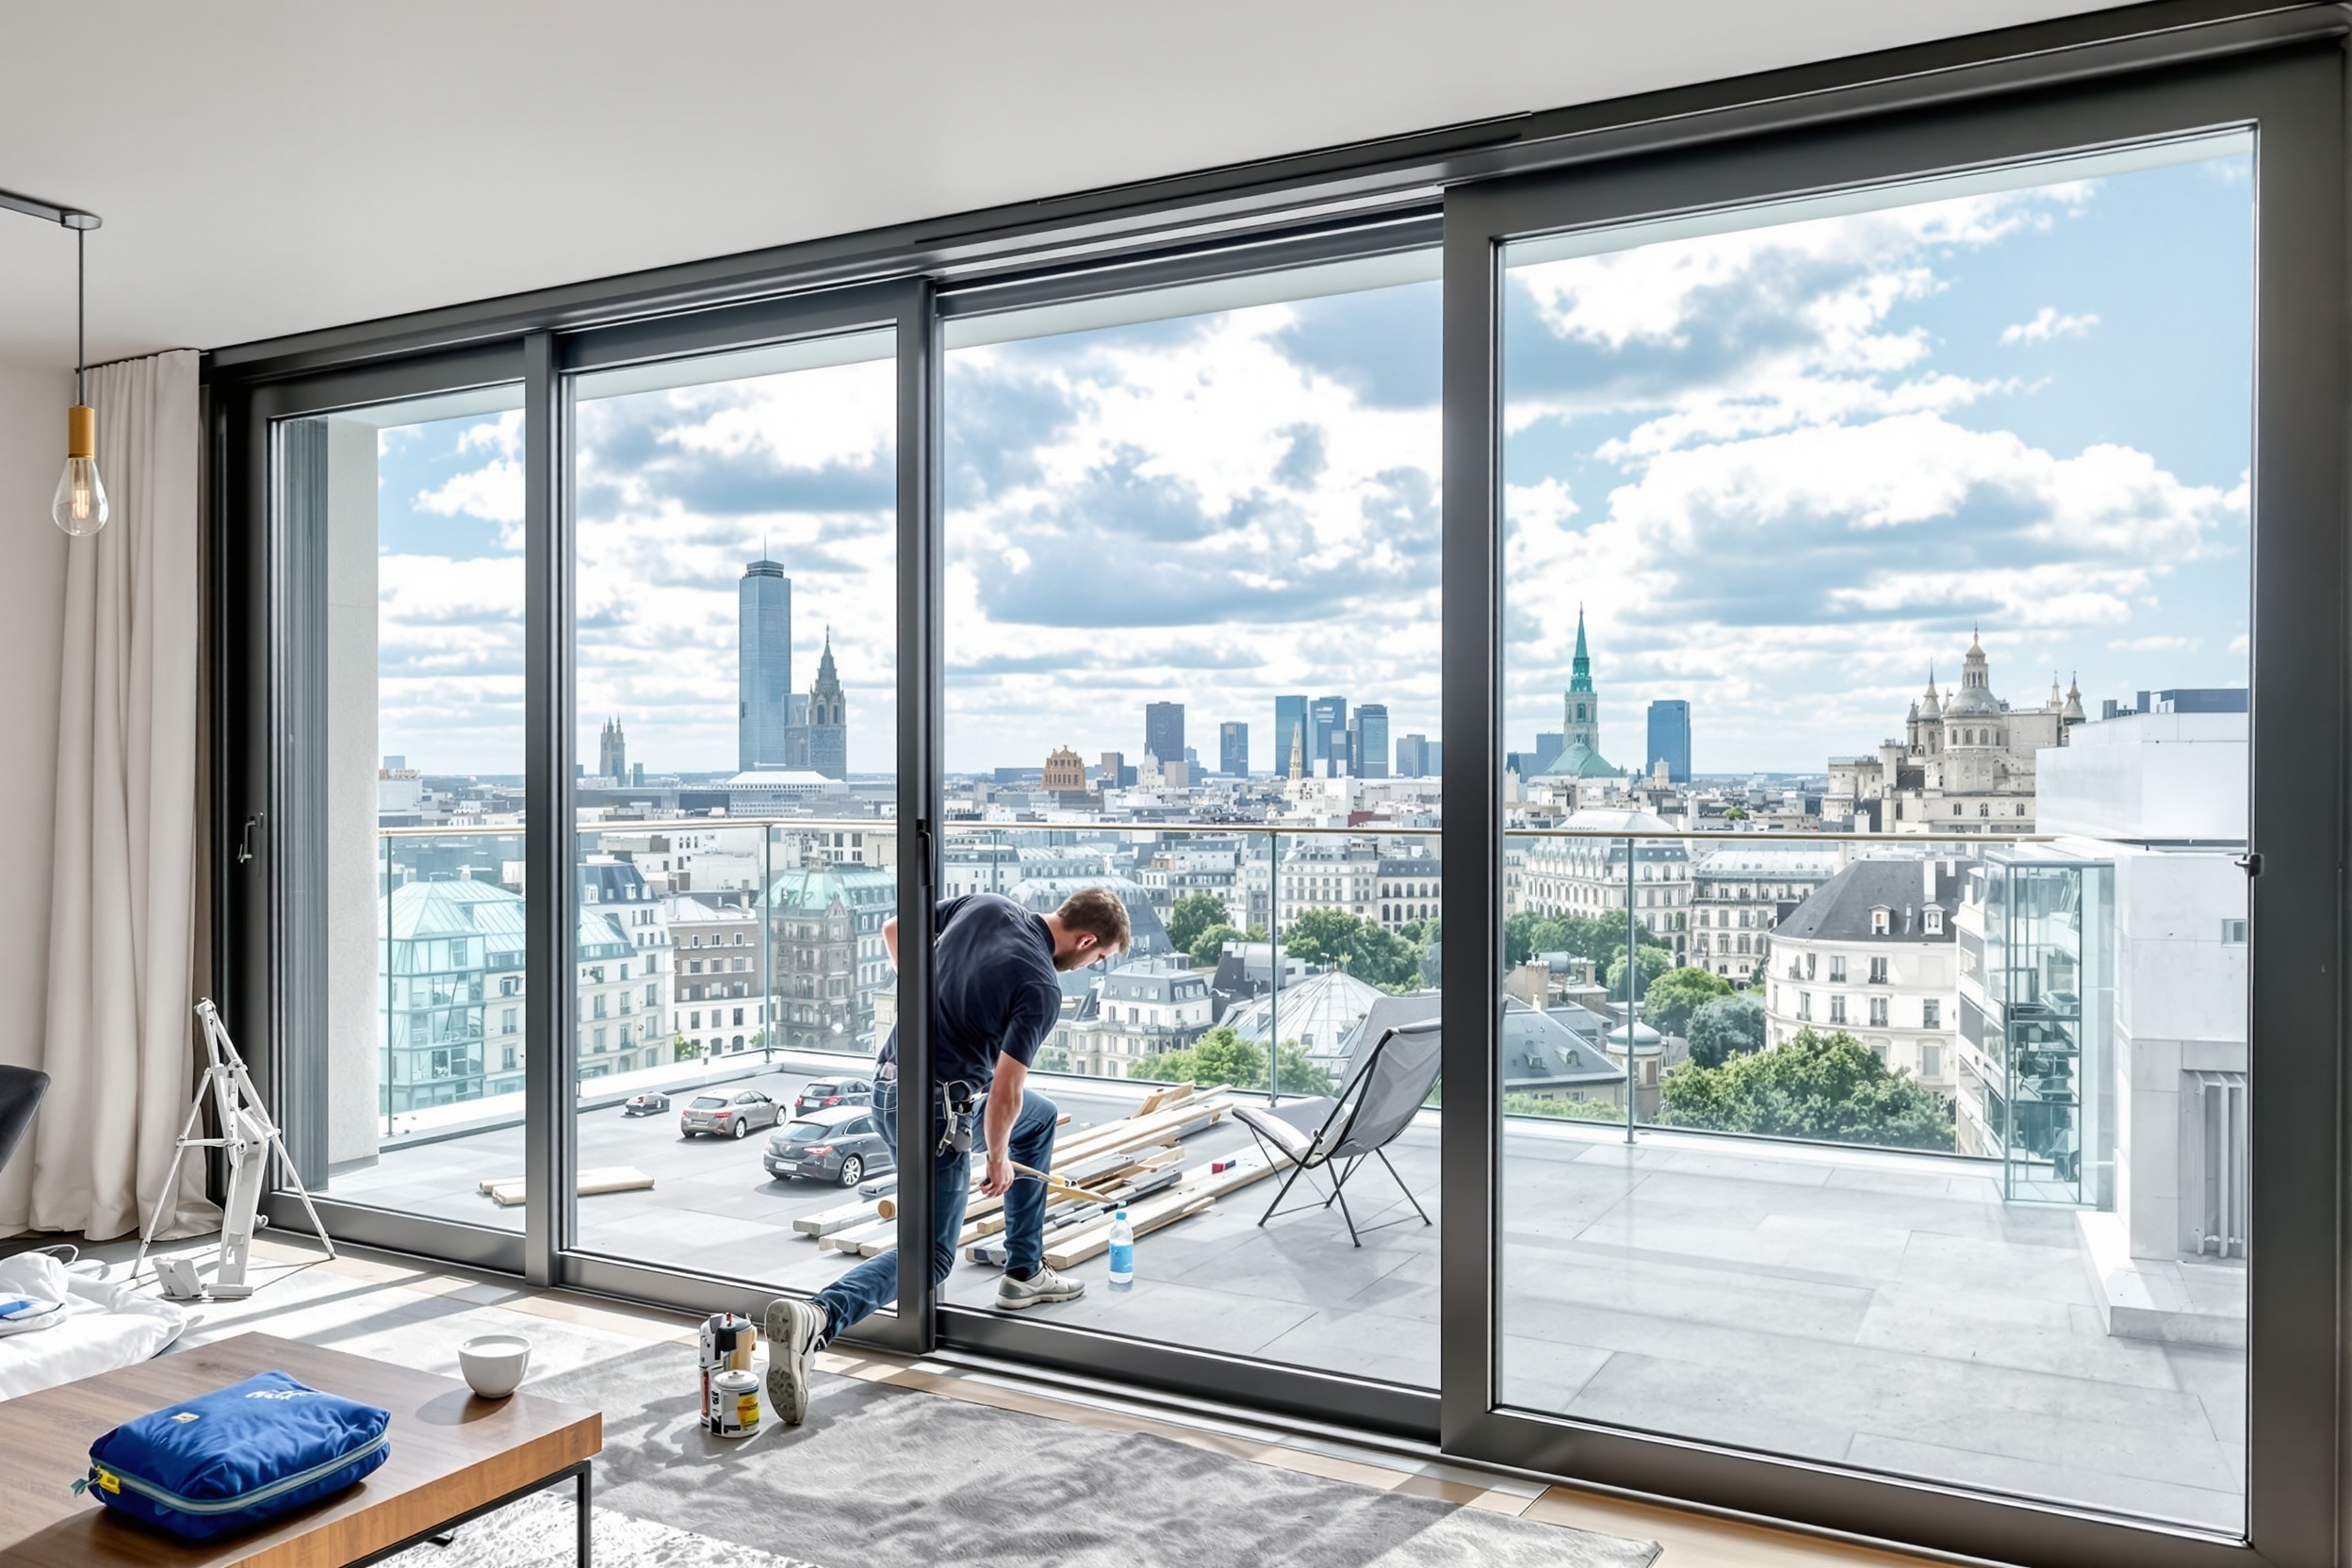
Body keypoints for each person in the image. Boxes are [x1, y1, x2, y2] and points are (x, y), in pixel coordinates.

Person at [762, 887, 1131, 1425]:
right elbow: (1006, 1092)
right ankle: (818, 1316)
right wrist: (999, 1158)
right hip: (942, 1113)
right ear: (1087, 939)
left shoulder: (986, 905)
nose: (1088, 967)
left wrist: (924, 1007)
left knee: (1041, 1117)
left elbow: (894, 930)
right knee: (932, 1256)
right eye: (1096, 959)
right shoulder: (1041, 985)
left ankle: (1024, 1271)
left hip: (888, 1090)